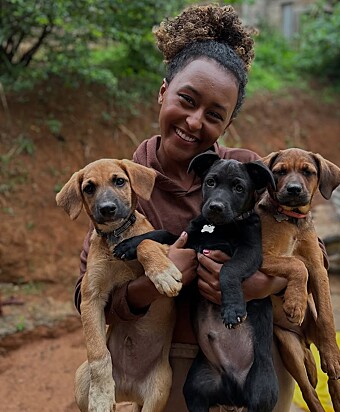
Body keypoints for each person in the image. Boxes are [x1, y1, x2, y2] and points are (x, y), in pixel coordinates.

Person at [74, 4, 296, 411]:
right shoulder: (120, 185)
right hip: (175, 368)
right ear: (163, 92)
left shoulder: (248, 171)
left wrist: (263, 285)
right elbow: (87, 295)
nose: (195, 122)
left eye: (214, 115)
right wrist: (151, 281)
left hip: (258, 358)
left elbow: (302, 245)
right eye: (187, 100)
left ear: (227, 124)